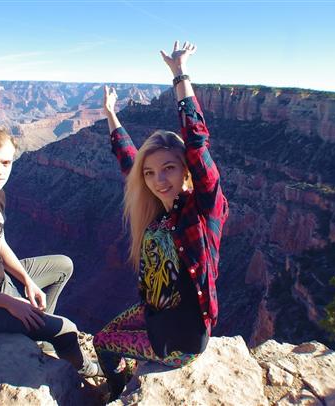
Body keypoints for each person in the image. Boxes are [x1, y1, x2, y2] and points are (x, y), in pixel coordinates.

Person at [94, 41, 229, 399]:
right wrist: (110, 114)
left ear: (186, 170)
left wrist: (179, 74)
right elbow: (129, 160)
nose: (159, 180)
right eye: (151, 173)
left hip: (182, 341)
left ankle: (117, 392)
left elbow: (197, 144)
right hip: (156, 316)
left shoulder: (202, 211)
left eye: (169, 168)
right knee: (104, 335)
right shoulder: (157, 207)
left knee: (103, 343)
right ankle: (125, 379)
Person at [0, 126, 101, 377]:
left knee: (63, 266)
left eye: (5, 162)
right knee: (66, 329)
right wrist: (10, 303)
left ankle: (40, 333)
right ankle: (90, 371)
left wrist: (28, 281)